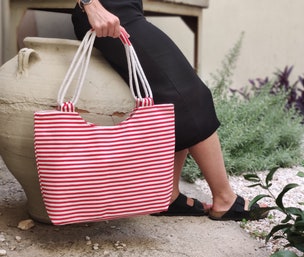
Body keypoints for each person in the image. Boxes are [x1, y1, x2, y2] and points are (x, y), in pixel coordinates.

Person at [71, 0, 267, 221]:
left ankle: (167, 196)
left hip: (125, 9)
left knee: (170, 97)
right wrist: (90, 4)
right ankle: (225, 198)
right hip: (109, 10)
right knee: (191, 95)